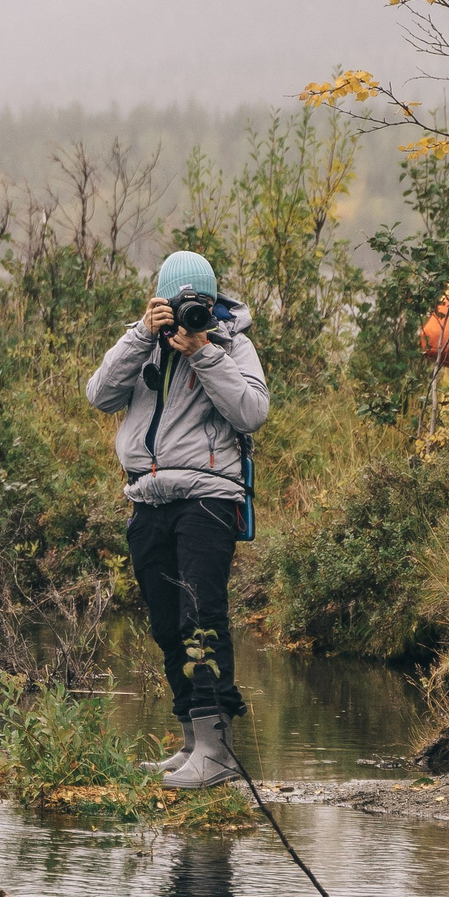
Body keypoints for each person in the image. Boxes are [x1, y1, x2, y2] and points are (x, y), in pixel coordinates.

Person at [84, 250, 270, 790]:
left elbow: (252, 412)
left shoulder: (234, 344)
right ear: (161, 300)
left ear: (214, 302)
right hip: (148, 498)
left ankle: (217, 752)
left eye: (201, 302)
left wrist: (206, 352)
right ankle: (191, 742)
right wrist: (142, 335)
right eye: (180, 301)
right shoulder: (145, 340)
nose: (191, 310)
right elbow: (99, 396)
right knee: (168, 623)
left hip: (209, 498)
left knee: (201, 617)